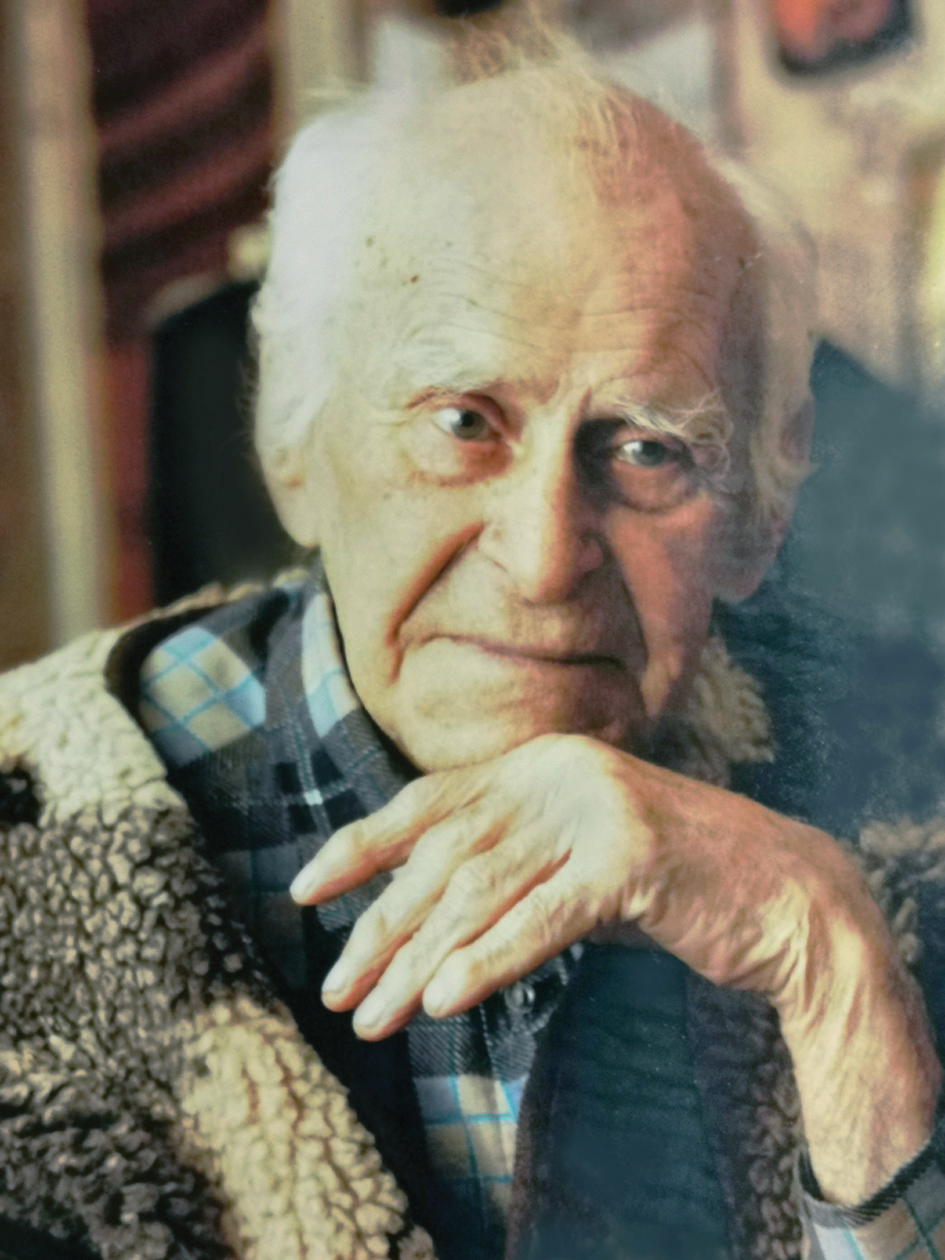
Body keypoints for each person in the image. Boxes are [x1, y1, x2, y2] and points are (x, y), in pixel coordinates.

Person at [1, 18, 944, 1260]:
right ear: (295, 443)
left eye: (647, 449)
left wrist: (828, 960)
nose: (546, 558)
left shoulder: (914, 797)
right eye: (463, 422)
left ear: (759, 514)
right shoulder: (30, 852)